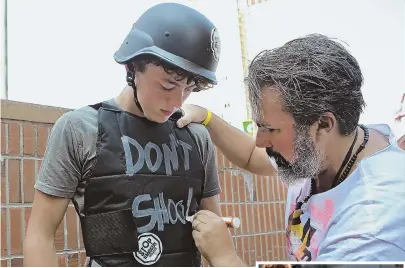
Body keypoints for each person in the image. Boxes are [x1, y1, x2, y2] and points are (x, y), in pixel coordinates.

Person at [24, 3, 223, 267]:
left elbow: (214, 239)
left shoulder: (196, 137)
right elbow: (41, 234)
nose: (177, 100)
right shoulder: (80, 129)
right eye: (168, 84)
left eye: (189, 88)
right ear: (132, 68)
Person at [177, 34, 405, 264]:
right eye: (259, 126)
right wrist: (207, 118)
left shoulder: (371, 224)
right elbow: (252, 156)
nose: (260, 141)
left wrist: (224, 256)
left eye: (270, 129)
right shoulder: (325, 149)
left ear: (324, 124)